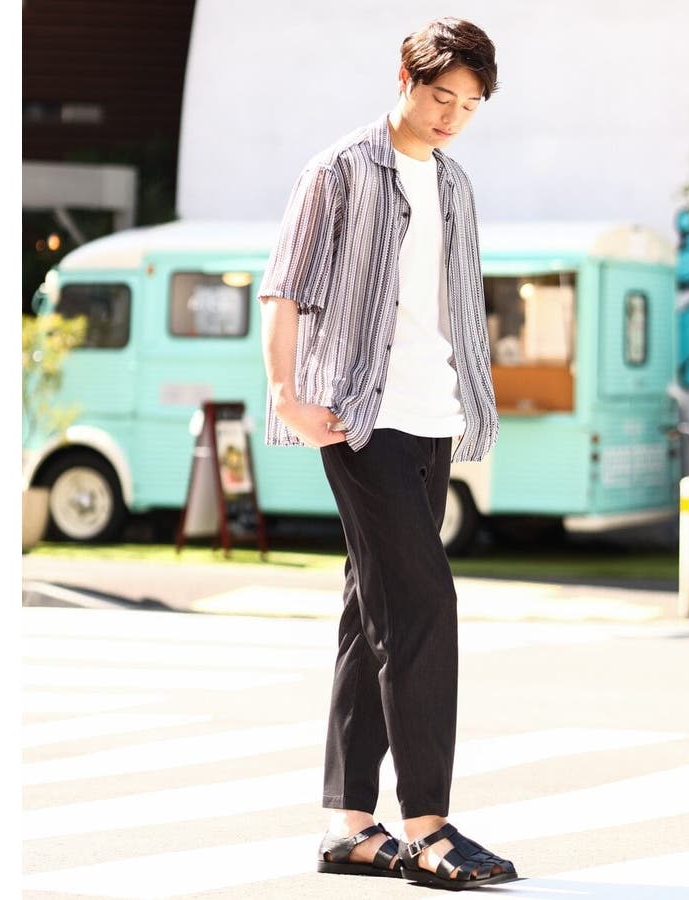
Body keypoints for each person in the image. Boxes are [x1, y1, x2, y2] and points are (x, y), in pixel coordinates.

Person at [258, 17, 517, 890]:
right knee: (422, 603)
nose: (451, 116)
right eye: (441, 96)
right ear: (404, 78)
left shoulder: (455, 184)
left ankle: (348, 826)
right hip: (359, 417)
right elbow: (284, 286)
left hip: (432, 413)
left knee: (368, 609)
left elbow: (453, 303)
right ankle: (429, 829)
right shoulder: (338, 170)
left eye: (469, 105)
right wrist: (287, 396)